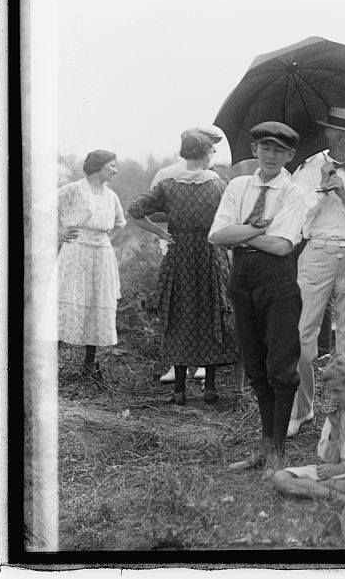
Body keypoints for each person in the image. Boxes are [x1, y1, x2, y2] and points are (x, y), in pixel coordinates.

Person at [209, 121, 308, 479]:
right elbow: (217, 234)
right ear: (254, 150)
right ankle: (264, 449)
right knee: (255, 364)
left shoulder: (293, 193)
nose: (271, 155)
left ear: (290, 155)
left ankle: (278, 452)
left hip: (277, 280)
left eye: (279, 150)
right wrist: (259, 228)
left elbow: (282, 246)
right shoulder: (238, 186)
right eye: (265, 148)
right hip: (243, 278)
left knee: (281, 364)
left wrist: (241, 234)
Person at [287, 107, 345, 437]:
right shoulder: (308, 169)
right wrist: (321, 190)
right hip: (317, 254)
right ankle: (301, 409)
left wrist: (344, 195)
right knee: (300, 337)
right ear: (339, 138)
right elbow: (296, 218)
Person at [128, 129, 236, 404]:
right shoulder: (218, 185)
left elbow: (135, 211)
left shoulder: (168, 185)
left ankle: (179, 390)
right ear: (205, 153)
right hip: (210, 253)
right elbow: (230, 218)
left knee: (179, 314)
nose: (213, 155)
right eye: (211, 151)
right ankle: (210, 386)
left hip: (180, 255)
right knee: (211, 312)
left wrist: (162, 233)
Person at [154, 127, 222, 385]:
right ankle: (176, 365)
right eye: (210, 145)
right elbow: (156, 209)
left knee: (204, 301)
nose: (212, 151)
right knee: (178, 303)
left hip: (203, 246)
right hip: (176, 244)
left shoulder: (213, 177)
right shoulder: (166, 174)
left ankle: (202, 363)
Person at [273, 355, 345, 500]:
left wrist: (342, 468)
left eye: (337, 391)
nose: (332, 397)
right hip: (335, 473)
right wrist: (334, 430)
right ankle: (336, 495)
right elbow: (326, 458)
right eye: (330, 391)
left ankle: (318, 488)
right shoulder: (337, 413)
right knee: (280, 477)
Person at [57, 150, 127, 378]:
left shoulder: (111, 196)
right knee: (70, 300)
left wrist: (106, 242)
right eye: (111, 166)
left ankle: (88, 364)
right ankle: (50, 363)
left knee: (97, 303)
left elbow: (120, 223)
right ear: (98, 166)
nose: (115, 170)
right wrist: (60, 233)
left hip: (102, 256)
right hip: (76, 251)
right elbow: (43, 209)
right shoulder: (74, 189)